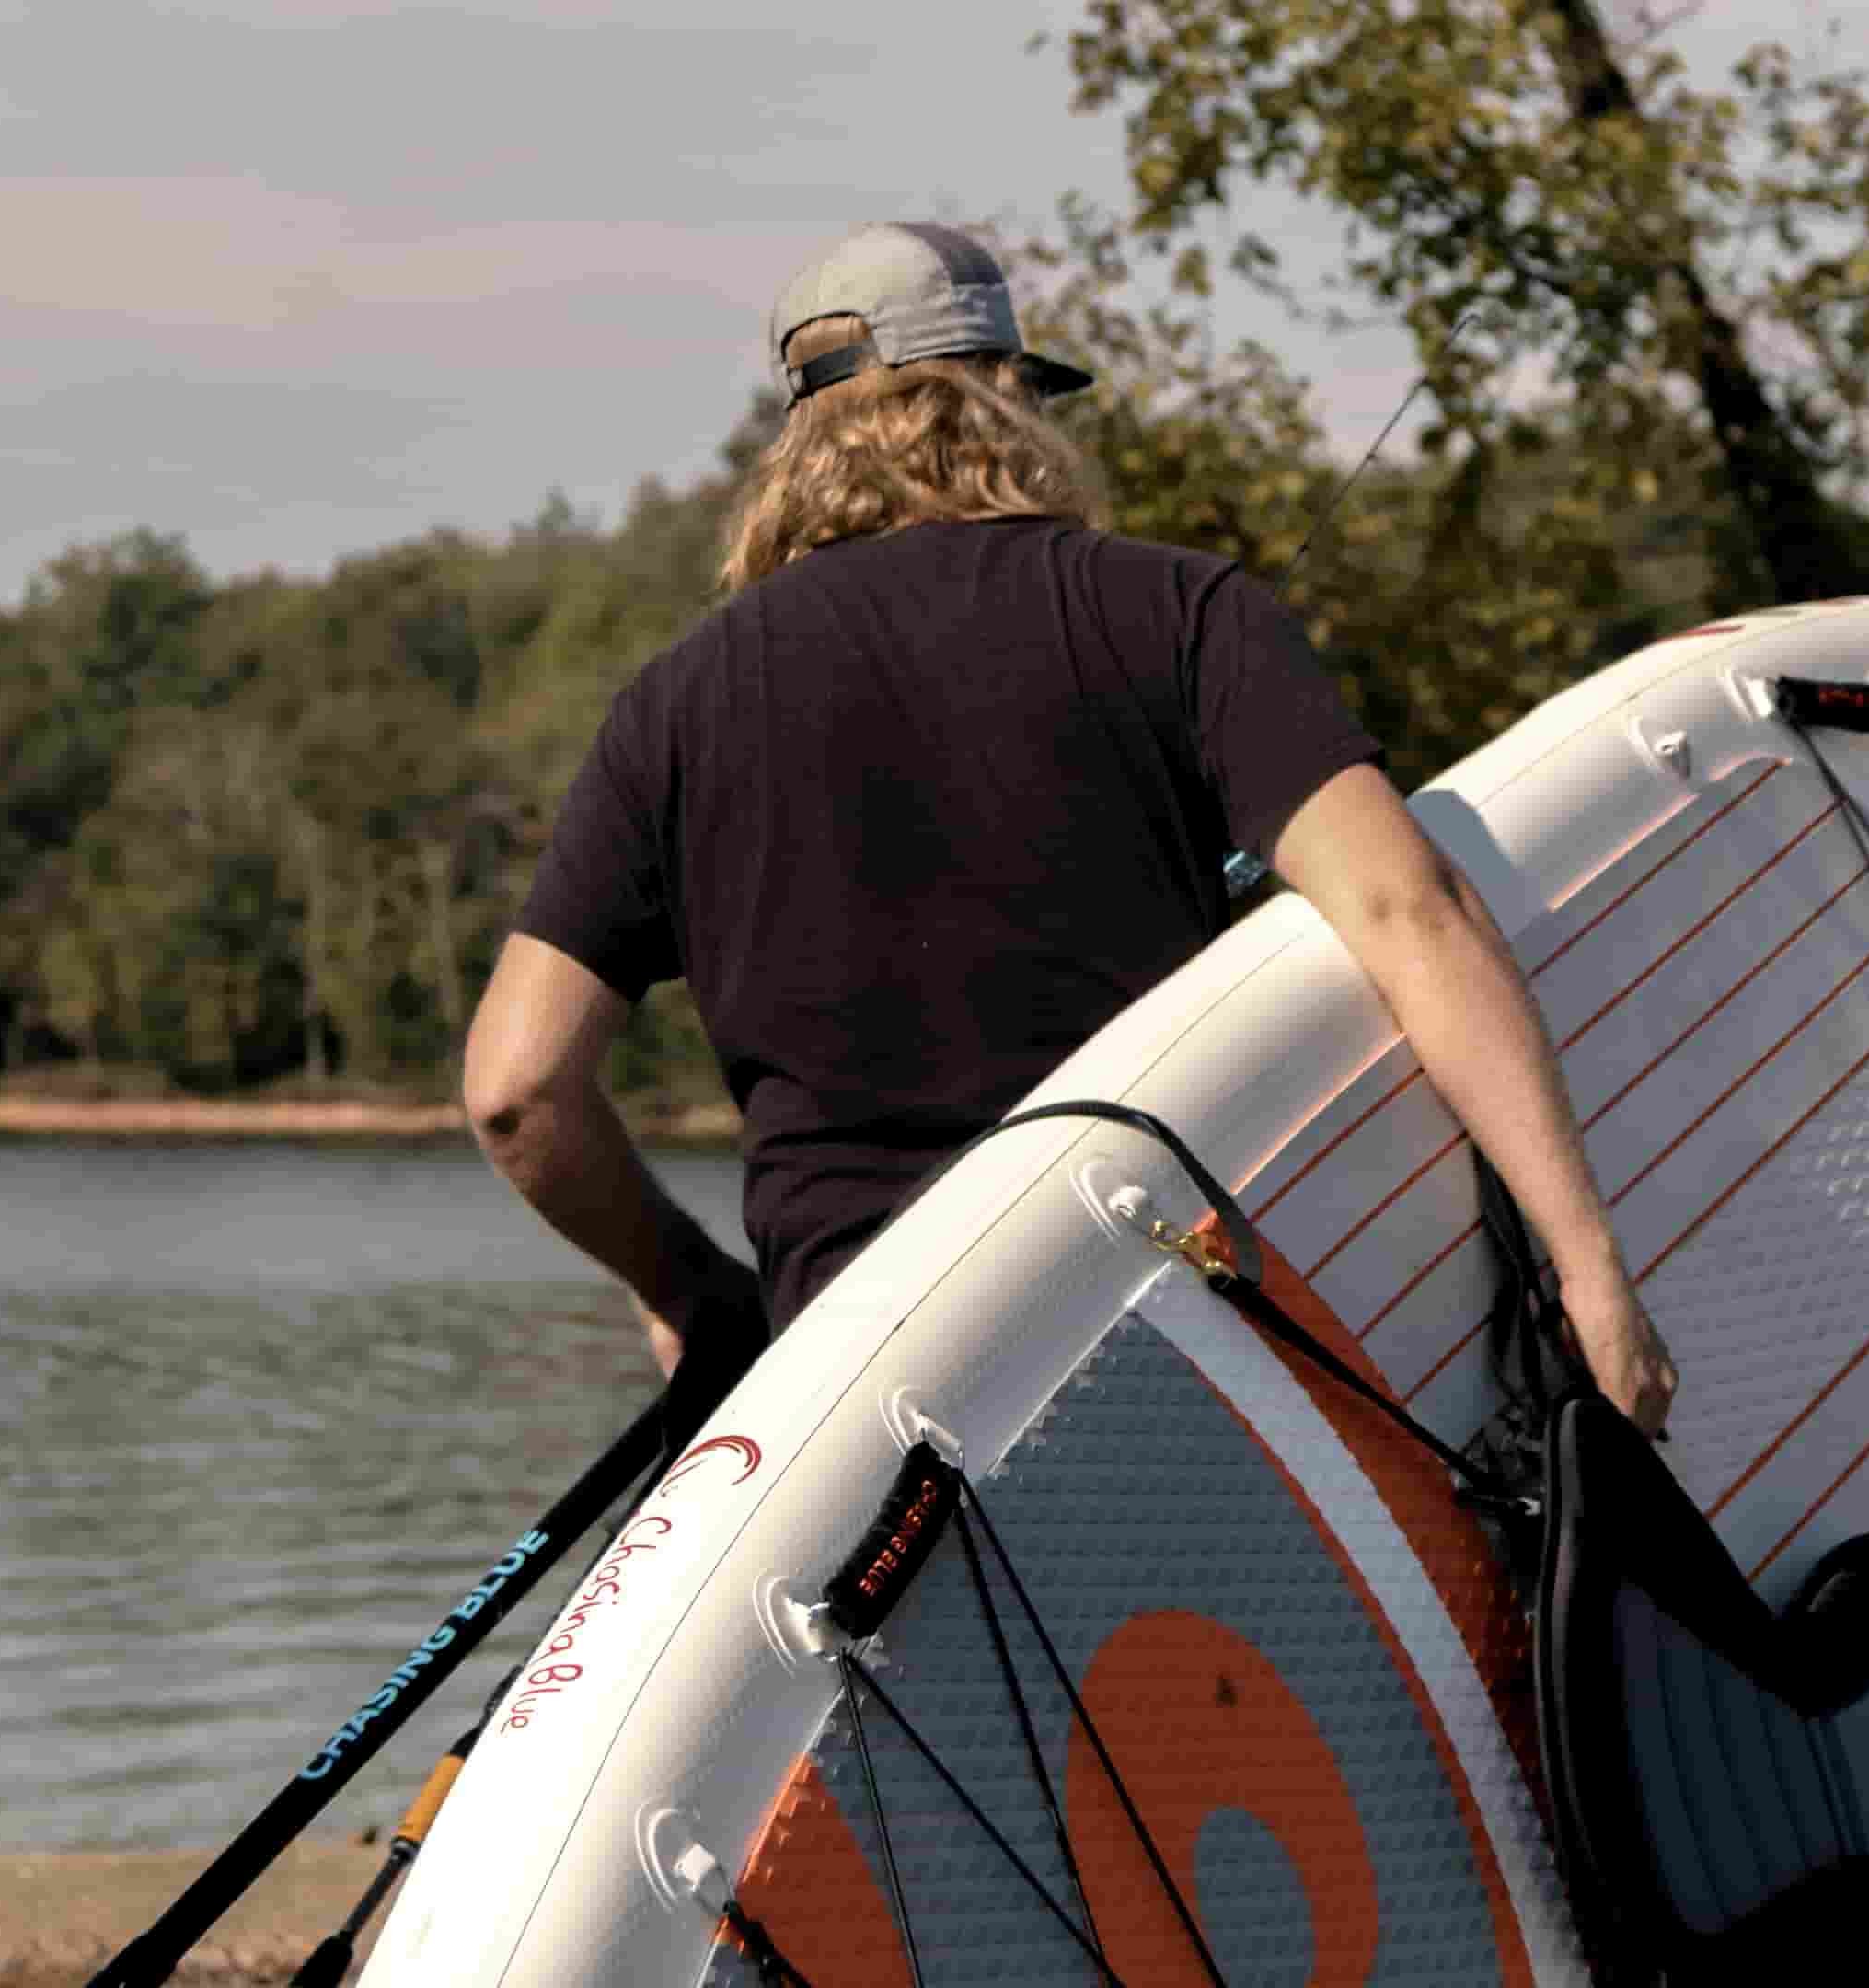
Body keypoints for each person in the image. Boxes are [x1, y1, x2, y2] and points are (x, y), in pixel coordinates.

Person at [460, 221, 1676, 1451]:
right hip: (1150, 1320)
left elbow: (517, 1091)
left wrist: (685, 1286)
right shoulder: (1182, 614)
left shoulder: (672, 706)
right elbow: (1410, 913)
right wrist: (1588, 1269)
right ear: (1004, 399)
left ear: (802, 440)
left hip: (852, 1379)